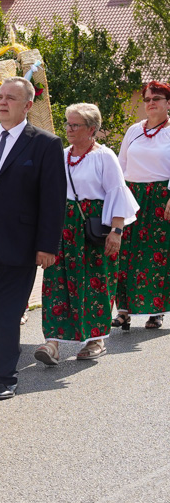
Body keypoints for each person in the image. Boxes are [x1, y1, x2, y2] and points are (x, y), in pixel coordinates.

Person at [0, 76, 66, 401]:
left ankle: (5, 376)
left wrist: (47, 246)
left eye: (11, 97)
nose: (3, 102)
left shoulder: (45, 144)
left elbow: (53, 199)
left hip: (20, 243)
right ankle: (1, 361)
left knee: (8, 313)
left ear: (27, 106)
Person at [34, 104, 138, 364]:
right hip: (63, 227)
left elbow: (117, 194)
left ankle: (95, 340)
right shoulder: (62, 155)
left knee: (95, 282)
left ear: (92, 129)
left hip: (94, 228)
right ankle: (52, 343)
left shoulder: (105, 156)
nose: (68, 129)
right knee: (56, 281)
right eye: (67, 124)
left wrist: (116, 231)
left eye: (75, 125)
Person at [114, 81, 170, 330]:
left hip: (160, 197)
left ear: (168, 103)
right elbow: (120, 165)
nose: (151, 103)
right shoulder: (134, 130)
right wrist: (117, 197)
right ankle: (123, 310)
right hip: (132, 195)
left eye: (157, 99)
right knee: (125, 253)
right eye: (147, 99)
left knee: (155, 256)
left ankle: (156, 310)